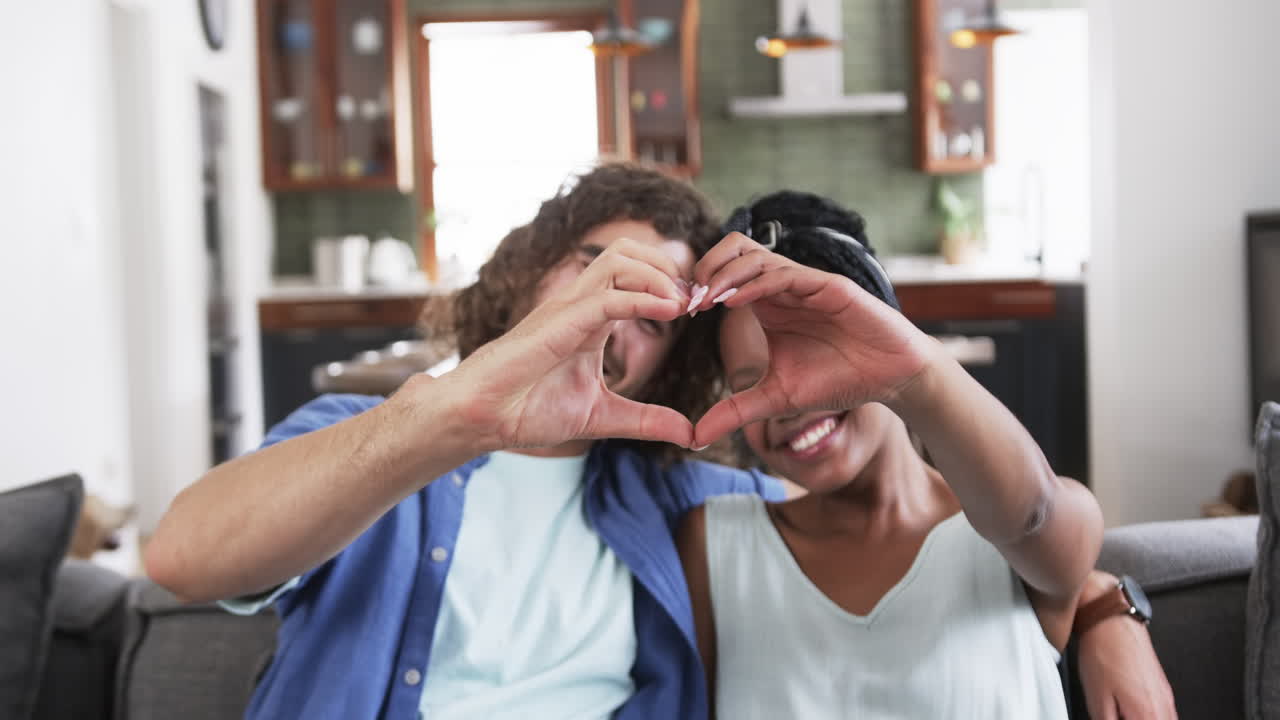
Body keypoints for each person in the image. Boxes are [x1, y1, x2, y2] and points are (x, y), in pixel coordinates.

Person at [145, 165, 1172, 720]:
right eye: (597, 268)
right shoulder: (372, 443)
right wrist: (458, 411)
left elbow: (913, 527)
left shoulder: (680, 505)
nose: (612, 310)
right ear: (530, 272)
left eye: (654, 304)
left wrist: (1098, 602)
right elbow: (182, 555)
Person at [676, 190, 1177, 719]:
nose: (792, 401)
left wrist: (917, 375)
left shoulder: (1012, 536)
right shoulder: (715, 545)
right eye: (752, 386)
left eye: (815, 358)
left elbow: (1036, 512)